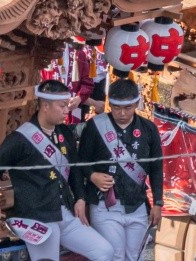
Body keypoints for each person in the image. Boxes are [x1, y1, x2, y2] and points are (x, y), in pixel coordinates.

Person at [0, 80, 113, 261]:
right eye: (62, 106)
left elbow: (74, 169)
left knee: (104, 251)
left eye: (67, 105)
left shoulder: (64, 133)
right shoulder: (20, 139)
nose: (67, 110)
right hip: (38, 217)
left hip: (65, 212)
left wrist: (80, 198)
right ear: (45, 106)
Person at [72, 77, 162, 261]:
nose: (121, 113)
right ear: (109, 104)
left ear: (136, 103)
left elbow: (156, 168)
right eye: (116, 107)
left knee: (134, 256)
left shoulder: (149, 129)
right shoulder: (95, 126)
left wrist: (158, 203)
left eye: (127, 108)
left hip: (136, 203)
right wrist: (92, 175)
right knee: (115, 255)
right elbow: (80, 162)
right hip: (105, 204)